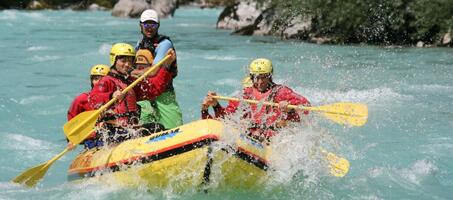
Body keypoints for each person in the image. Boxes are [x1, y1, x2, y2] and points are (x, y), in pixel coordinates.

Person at [201, 58, 311, 141]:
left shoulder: (281, 92)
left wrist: (289, 110)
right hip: (251, 138)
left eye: (264, 77)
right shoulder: (245, 95)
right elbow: (225, 120)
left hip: (272, 140)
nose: (260, 82)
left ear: (270, 76)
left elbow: (306, 108)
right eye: (256, 77)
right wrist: (214, 105)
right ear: (251, 76)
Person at [88, 42, 175, 147]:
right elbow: (93, 98)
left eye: (130, 61)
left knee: (157, 127)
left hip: (132, 129)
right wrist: (111, 95)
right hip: (114, 132)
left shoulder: (130, 82)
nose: (127, 64)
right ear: (114, 60)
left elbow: (153, 90)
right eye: (123, 61)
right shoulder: (106, 81)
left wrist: (166, 66)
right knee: (151, 130)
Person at [135, 9, 183, 130]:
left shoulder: (164, 44)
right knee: (143, 128)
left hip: (164, 93)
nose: (149, 28)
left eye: (153, 24)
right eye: (146, 24)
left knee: (173, 128)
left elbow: (154, 71)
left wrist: (134, 73)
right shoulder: (139, 44)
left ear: (158, 26)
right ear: (140, 25)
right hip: (144, 92)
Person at [66, 64, 110, 149]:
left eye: (102, 79)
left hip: (112, 135)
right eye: (96, 79)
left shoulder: (116, 97)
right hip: (93, 140)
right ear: (92, 81)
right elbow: (72, 124)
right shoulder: (81, 100)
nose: (99, 82)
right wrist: (71, 140)